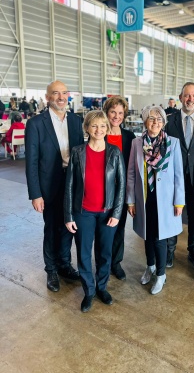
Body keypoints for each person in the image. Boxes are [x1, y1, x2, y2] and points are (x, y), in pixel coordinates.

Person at [25, 80, 84, 292]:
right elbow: (31, 161)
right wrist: (35, 194)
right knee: (51, 227)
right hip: (49, 184)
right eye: (55, 93)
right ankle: (51, 269)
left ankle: (64, 264)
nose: (60, 97)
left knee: (69, 225)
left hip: (72, 183)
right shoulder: (36, 124)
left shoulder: (77, 121)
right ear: (48, 97)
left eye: (64, 93)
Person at [64, 110, 126, 312]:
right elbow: (70, 185)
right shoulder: (77, 152)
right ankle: (89, 291)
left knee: (104, 253)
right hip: (83, 213)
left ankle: (101, 287)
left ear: (107, 128)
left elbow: (121, 186)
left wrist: (117, 214)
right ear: (87, 128)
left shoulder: (115, 152)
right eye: (94, 125)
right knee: (83, 254)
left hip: (107, 212)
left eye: (102, 125)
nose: (98, 129)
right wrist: (68, 215)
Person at [126, 105, 185, 295]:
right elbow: (132, 174)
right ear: (145, 122)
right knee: (147, 236)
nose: (155, 123)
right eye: (151, 119)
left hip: (165, 201)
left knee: (160, 239)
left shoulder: (172, 143)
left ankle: (161, 274)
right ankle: (150, 266)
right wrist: (130, 201)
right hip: (144, 198)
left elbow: (178, 175)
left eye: (159, 119)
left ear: (163, 123)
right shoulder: (137, 143)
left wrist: (179, 201)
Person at [165, 82, 194, 269]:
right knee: (173, 215)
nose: (190, 99)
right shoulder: (168, 121)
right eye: (187, 95)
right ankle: (169, 251)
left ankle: (193, 251)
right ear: (180, 97)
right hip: (173, 179)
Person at [103, 96, 136, 281]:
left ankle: (116, 262)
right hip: (102, 190)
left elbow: (132, 167)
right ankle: (104, 263)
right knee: (103, 229)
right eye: (113, 112)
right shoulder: (99, 133)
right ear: (107, 112)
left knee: (119, 227)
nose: (116, 116)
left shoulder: (129, 137)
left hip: (121, 191)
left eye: (120, 113)